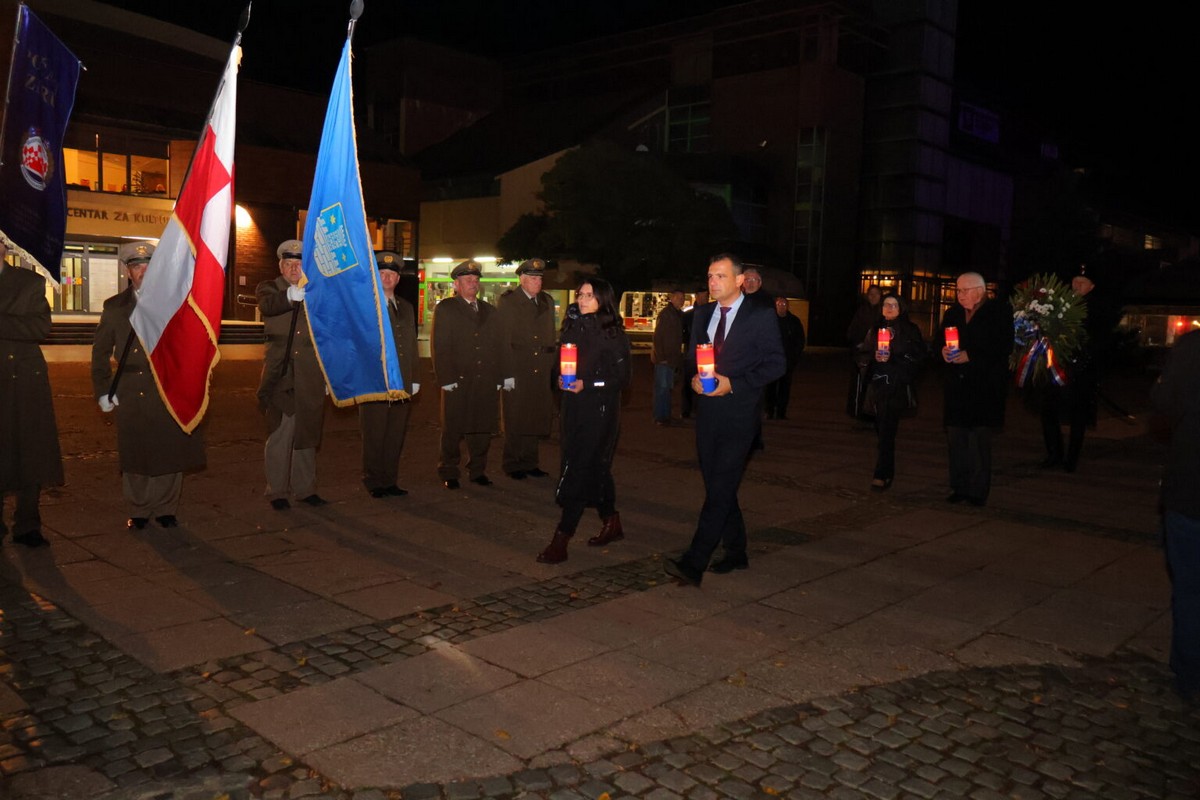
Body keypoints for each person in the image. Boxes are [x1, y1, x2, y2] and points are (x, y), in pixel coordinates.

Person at [664, 253, 785, 586]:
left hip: (740, 414)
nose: (713, 282)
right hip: (708, 414)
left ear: (739, 280)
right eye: (709, 276)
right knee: (720, 485)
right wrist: (693, 381)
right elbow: (693, 359)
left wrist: (733, 383)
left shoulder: (760, 316)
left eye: (719, 276)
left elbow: (776, 364)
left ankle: (694, 561)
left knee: (720, 487)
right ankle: (736, 551)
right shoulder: (702, 314)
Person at [92, 241, 206, 528]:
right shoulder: (115, 307)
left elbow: (189, 346)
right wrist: (103, 390)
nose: (143, 271)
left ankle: (166, 507)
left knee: (169, 447)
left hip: (165, 385)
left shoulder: (174, 304)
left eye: (148, 266)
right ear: (128, 272)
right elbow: (100, 353)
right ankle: (139, 508)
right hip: (130, 387)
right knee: (135, 450)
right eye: (136, 266)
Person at [536, 278, 632, 564]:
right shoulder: (571, 327)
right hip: (573, 409)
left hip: (600, 411)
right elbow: (556, 370)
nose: (583, 299)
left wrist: (587, 384)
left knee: (579, 468)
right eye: (580, 294)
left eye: (590, 295)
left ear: (603, 299)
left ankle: (561, 539)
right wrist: (558, 381)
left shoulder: (612, 333)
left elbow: (622, 379)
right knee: (596, 468)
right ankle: (611, 520)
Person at [0, 240, 64, 547]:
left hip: (24, 379)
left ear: (5, 247)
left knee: (31, 451)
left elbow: (39, 328)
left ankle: (27, 524)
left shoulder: (30, 282)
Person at [257, 239, 327, 510]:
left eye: (299, 264)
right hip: (281, 372)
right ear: (280, 265)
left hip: (310, 372)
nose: (294, 269)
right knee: (280, 433)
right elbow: (268, 305)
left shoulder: (317, 291)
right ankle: (277, 491)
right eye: (289, 264)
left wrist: (328, 377)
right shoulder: (270, 287)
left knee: (307, 432)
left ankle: (305, 488)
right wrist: (289, 296)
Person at [1151, 329, 1200, 703]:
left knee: (1189, 587)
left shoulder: (1192, 348)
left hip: (1190, 489)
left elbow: (1165, 403)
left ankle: (1189, 673)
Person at [938, 272, 1011, 507]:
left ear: (980, 290)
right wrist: (942, 352)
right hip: (957, 389)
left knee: (979, 442)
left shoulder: (998, 312)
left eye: (964, 290)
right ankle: (959, 486)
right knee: (956, 440)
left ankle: (978, 491)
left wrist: (970, 356)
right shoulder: (952, 313)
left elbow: (1002, 347)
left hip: (984, 388)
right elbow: (939, 341)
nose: (959, 295)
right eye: (957, 290)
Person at [1038, 265, 1118, 472]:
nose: (1076, 286)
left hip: (1081, 370)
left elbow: (1100, 340)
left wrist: (1082, 360)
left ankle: (1071, 459)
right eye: (1074, 282)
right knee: (1048, 410)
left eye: (1081, 283)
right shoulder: (1060, 304)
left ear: (1091, 287)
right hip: (1056, 365)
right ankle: (1054, 453)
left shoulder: (1097, 309)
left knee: (1077, 415)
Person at [432, 259, 501, 490]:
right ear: (456, 284)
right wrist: (446, 378)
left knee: (481, 427)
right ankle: (449, 470)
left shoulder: (489, 310)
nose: (473, 283)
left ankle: (478, 469)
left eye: (475, 279)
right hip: (458, 379)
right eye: (467, 280)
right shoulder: (447, 308)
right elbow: (440, 345)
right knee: (452, 428)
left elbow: (495, 345)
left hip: (485, 379)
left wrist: (499, 377)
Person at [358, 252, 419, 498]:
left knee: (395, 434)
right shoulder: (365, 306)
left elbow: (411, 344)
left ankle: (390, 479)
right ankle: (373, 480)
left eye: (392, 274)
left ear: (398, 279)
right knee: (374, 433)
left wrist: (415, 378)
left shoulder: (406, 307)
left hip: (401, 380)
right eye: (382, 273)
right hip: (375, 380)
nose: (387, 277)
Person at [496, 257, 557, 479]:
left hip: (540, 368)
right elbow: (502, 339)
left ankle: (531, 462)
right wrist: (505, 373)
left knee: (536, 416)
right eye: (532, 278)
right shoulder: (509, 302)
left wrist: (552, 367)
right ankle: (513, 463)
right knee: (515, 417)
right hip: (518, 367)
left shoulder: (547, 302)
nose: (537, 282)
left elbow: (551, 336)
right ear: (522, 280)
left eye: (539, 278)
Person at [863, 293, 924, 490]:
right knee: (881, 430)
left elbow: (918, 357)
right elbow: (861, 353)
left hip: (896, 386)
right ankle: (887, 469)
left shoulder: (909, 330)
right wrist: (874, 357)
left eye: (894, 305)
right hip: (878, 386)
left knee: (887, 430)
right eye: (886, 305)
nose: (889, 308)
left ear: (901, 308)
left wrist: (893, 359)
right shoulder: (874, 329)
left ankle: (881, 473)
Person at [764, 295, 806, 420]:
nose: (781, 307)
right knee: (770, 388)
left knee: (784, 388)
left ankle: (781, 412)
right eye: (779, 305)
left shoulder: (794, 321)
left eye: (783, 305)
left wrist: (794, 356)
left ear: (787, 306)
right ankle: (769, 411)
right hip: (772, 361)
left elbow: (800, 340)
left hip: (787, 361)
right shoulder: (769, 320)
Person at [846, 284, 882, 420]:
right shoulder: (862, 311)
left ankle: (874, 413)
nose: (873, 296)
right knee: (859, 385)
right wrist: (859, 344)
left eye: (876, 294)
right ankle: (858, 412)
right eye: (870, 294)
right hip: (862, 355)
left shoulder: (883, 312)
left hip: (877, 356)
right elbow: (852, 332)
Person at [651, 289, 685, 426]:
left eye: (682, 298)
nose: (681, 301)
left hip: (670, 359)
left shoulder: (675, 314)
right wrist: (661, 357)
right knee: (662, 389)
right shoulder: (667, 314)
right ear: (672, 298)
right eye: (678, 297)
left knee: (667, 388)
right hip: (664, 359)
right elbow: (658, 337)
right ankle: (660, 417)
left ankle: (665, 416)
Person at [680, 288, 707, 420]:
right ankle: (686, 409)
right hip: (691, 352)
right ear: (696, 296)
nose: (704, 299)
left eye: (706, 296)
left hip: (705, 353)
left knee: (704, 381)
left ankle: (699, 409)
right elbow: (682, 332)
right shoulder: (688, 314)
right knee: (688, 382)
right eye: (702, 296)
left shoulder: (710, 313)